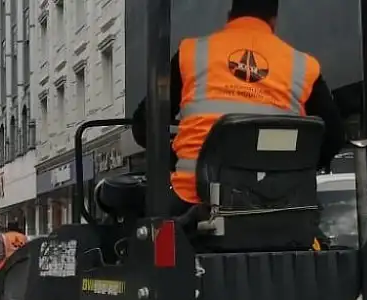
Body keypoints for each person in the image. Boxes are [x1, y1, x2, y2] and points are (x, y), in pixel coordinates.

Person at [129, 0, 345, 216]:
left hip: (192, 202)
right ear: (274, 21)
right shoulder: (303, 66)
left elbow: (144, 125)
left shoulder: (192, 53)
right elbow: (334, 137)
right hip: (280, 205)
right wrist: (294, 171)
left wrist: (177, 159)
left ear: (230, 16)